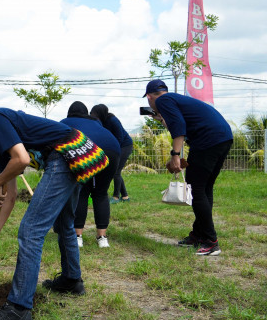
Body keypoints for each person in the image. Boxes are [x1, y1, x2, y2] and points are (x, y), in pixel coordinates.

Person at [0, 102, 109, 320]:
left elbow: (22, 159)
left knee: (30, 231)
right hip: (78, 150)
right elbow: (10, 196)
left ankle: (18, 309)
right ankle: (71, 280)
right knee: (64, 221)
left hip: (67, 154)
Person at [144, 79, 233, 256]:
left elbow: (179, 128)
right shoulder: (174, 99)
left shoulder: (162, 101)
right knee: (204, 188)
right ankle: (199, 235)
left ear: (149, 97)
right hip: (223, 136)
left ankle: (210, 241)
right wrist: (163, 119)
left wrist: (175, 155)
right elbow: (178, 123)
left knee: (196, 189)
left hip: (208, 140)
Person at [61, 101, 120, 248]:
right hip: (112, 151)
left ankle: (77, 237)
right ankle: (102, 238)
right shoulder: (96, 122)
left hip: (88, 150)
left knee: (82, 192)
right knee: (100, 193)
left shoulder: (65, 122)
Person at [90, 104, 133, 204]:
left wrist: (115, 152)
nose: (92, 116)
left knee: (116, 171)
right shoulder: (100, 122)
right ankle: (125, 196)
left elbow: (120, 137)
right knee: (116, 171)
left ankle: (116, 197)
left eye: (94, 114)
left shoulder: (112, 120)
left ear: (100, 113)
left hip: (124, 145)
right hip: (116, 146)